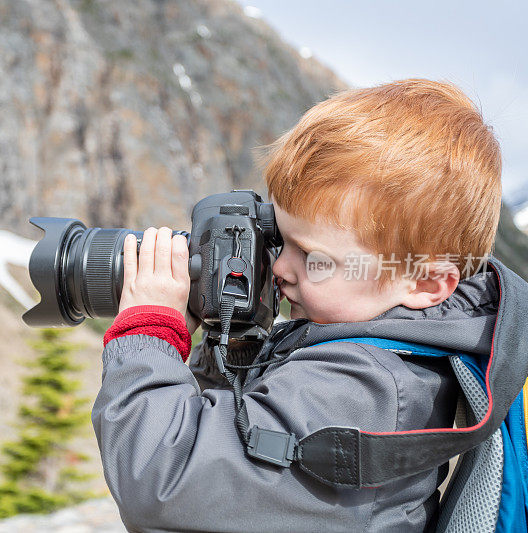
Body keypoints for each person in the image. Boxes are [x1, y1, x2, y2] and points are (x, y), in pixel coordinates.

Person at [91, 79, 514, 532]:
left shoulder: (365, 388)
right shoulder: (377, 347)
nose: (280, 268)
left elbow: (161, 483)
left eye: (313, 257)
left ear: (426, 283)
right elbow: (234, 435)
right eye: (281, 240)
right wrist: (231, 341)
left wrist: (149, 327)